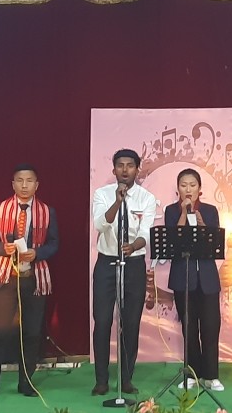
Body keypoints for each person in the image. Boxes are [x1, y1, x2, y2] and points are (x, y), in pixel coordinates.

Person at [0, 164, 59, 399]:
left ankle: (26, 382)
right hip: (6, 277)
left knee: (32, 333)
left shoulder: (47, 211)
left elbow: (55, 244)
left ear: (37, 185)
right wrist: (3, 249)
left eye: (29, 181)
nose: (24, 186)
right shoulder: (0, 209)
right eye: (20, 181)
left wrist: (38, 253)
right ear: (13, 184)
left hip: (34, 278)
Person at [90, 149, 158, 396]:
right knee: (103, 321)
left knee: (130, 323)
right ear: (114, 169)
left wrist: (133, 247)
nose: (125, 170)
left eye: (130, 165)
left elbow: (147, 233)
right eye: (120, 165)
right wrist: (118, 201)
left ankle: (126, 379)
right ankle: (101, 380)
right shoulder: (102, 194)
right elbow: (100, 224)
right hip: (107, 262)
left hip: (134, 263)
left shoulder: (147, 198)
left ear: (137, 170)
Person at [163, 168, 223, 391]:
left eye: (192, 185)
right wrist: (183, 213)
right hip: (183, 278)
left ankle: (211, 375)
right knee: (189, 328)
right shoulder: (170, 211)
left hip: (207, 279)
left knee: (210, 327)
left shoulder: (210, 210)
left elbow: (213, 241)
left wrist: (199, 220)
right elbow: (171, 241)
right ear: (178, 189)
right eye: (183, 185)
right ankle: (191, 375)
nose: (188, 189)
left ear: (200, 189)